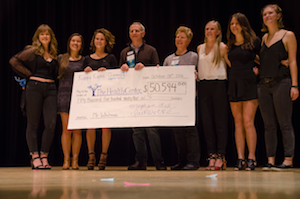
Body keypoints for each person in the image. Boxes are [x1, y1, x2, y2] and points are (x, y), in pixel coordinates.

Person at [9, 24, 58, 169]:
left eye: (47, 34)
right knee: (33, 124)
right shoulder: (33, 51)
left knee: (51, 124)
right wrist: (28, 74)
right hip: (34, 88)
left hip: (51, 89)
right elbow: (13, 61)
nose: (44, 37)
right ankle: (34, 156)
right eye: (41, 34)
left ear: (51, 37)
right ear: (38, 37)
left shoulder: (54, 53)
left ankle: (44, 155)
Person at [120, 22, 166, 170]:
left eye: (137, 31)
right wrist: (122, 69)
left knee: (152, 129)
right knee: (137, 130)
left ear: (143, 33)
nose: (134, 33)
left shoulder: (151, 50)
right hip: (132, 95)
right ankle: (141, 161)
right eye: (132, 31)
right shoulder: (124, 52)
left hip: (149, 95)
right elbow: (119, 74)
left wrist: (146, 69)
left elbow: (157, 70)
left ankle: (159, 161)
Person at [258, 4, 299, 171]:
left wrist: (295, 85)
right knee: (268, 125)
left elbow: (293, 61)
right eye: (264, 14)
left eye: (270, 13)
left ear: (278, 15)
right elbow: (266, 59)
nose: (267, 16)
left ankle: (288, 159)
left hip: (281, 82)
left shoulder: (288, 35)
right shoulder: (264, 38)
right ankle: (271, 160)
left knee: (285, 123)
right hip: (263, 85)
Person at [224, 13, 260, 171]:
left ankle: (252, 157)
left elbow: (263, 59)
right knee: (237, 123)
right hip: (234, 83)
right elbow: (229, 63)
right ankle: (240, 157)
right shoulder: (229, 45)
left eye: (237, 23)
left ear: (243, 24)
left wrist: (258, 69)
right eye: (232, 23)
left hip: (250, 83)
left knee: (248, 121)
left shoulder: (254, 42)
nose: (234, 26)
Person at [163, 26, 200, 170]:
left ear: (188, 41)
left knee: (190, 130)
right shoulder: (168, 59)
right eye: (177, 36)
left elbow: (200, 76)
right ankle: (182, 160)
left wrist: (196, 76)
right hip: (173, 100)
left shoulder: (194, 56)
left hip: (189, 98)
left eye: (182, 37)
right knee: (177, 132)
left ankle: (193, 161)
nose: (179, 39)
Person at [83, 28, 118, 170]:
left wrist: (108, 72)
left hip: (106, 98)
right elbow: (80, 80)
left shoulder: (111, 58)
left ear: (106, 42)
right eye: (97, 39)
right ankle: (91, 156)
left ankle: (104, 156)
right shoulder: (87, 59)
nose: (99, 41)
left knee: (105, 126)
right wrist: (85, 73)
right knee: (90, 126)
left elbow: (117, 78)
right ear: (93, 41)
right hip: (90, 98)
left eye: (102, 39)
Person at [197, 20, 228, 170]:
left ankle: (221, 155)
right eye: (207, 28)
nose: (209, 31)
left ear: (218, 32)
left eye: (212, 29)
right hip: (203, 85)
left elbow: (232, 65)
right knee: (207, 122)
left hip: (218, 85)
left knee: (220, 122)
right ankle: (211, 155)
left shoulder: (222, 47)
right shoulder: (199, 48)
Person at [57, 33, 85, 170]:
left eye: (78, 41)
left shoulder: (84, 60)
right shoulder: (61, 58)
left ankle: (75, 160)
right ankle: (66, 159)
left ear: (81, 45)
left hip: (79, 97)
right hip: (64, 95)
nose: (75, 43)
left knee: (78, 131)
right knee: (66, 130)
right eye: (73, 40)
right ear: (69, 43)